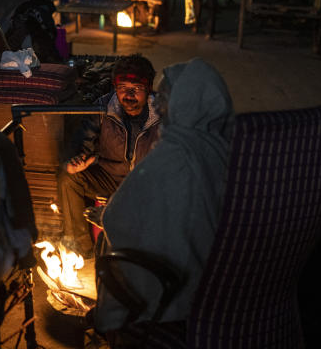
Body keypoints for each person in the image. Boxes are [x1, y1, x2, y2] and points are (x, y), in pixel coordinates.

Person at [93, 58, 234, 337]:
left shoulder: (173, 155)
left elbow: (116, 218)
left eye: (166, 98)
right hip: (221, 278)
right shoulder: (226, 147)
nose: (158, 105)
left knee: (108, 251)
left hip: (178, 293)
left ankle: (116, 322)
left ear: (187, 103)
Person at [57, 55, 162, 257]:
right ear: (115, 87)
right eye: (123, 88)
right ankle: (80, 250)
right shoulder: (103, 108)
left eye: (137, 88)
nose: (129, 95)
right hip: (110, 177)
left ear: (148, 88)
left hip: (145, 185)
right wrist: (79, 159)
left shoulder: (161, 113)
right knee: (68, 178)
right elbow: (82, 141)